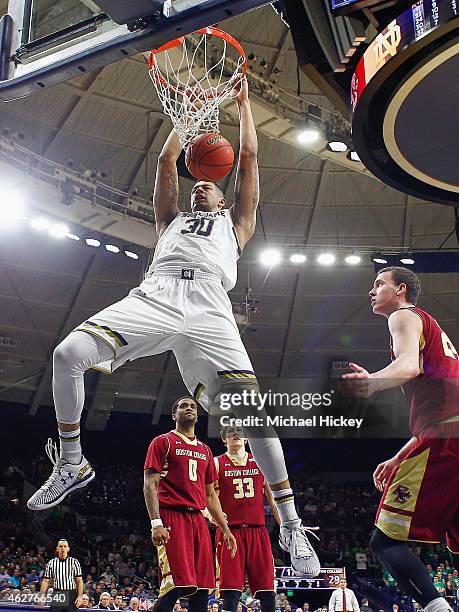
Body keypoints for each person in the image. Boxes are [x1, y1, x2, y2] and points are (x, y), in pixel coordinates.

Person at [26, 73, 319, 576]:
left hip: (209, 306)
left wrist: (245, 106)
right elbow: (166, 162)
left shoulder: (237, 224)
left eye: (209, 183)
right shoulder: (169, 223)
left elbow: (248, 161)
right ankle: (72, 461)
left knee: (255, 419)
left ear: (224, 200)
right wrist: (184, 120)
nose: (201, 184)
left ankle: (291, 525)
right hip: (158, 292)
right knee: (67, 355)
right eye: (197, 180)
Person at [342, 267, 459, 612]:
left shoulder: (404, 316)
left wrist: (372, 382)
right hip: (447, 434)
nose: (372, 291)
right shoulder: (433, 331)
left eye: (379, 284)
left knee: (385, 542)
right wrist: (399, 457)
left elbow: (408, 366)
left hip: (445, 439)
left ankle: (436, 609)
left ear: (401, 290)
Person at [143, 397, 236, 612]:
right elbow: (150, 483)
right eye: (183, 406)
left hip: (198, 520)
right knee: (175, 584)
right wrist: (155, 522)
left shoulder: (205, 450)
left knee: (202, 587)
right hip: (172, 517)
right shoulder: (163, 442)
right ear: (174, 415)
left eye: (193, 406)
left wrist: (225, 528)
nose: (189, 408)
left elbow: (211, 495)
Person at [209, 425, 280, 612]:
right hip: (230, 532)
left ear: (246, 438)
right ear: (224, 439)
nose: (235, 435)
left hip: (258, 530)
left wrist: (286, 527)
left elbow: (274, 501)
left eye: (239, 432)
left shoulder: (260, 461)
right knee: (230, 588)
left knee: (266, 587)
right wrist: (212, 515)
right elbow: (204, 496)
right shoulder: (216, 463)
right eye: (230, 432)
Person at [39, 539, 84, 612]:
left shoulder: (74, 562)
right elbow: (46, 581)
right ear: (57, 549)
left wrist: (80, 596)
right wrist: (41, 596)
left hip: (71, 594)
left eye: (65, 546)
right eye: (60, 546)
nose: (63, 548)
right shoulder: (52, 563)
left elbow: (79, 581)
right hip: (58, 593)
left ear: (68, 549)